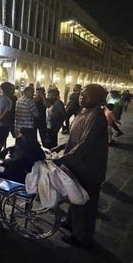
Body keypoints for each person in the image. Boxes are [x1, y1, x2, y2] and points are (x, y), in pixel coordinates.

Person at [55, 84, 108, 247]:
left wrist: (63, 159)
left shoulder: (97, 117)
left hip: (89, 168)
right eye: (80, 95)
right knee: (74, 196)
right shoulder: (84, 112)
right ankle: (70, 222)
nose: (81, 98)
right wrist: (61, 147)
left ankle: (81, 236)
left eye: (86, 96)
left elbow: (86, 144)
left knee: (85, 203)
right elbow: (75, 137)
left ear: (97, 99)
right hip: (76, 165)